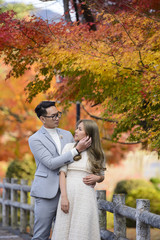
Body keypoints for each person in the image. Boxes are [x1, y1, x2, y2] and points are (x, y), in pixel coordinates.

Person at [28, 101, 91, 240]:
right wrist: (76, 150)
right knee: (41, 235)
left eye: (58, 114)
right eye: (53, 116)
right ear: (42, 119)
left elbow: (77, 159)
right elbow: (51, 163)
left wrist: (96, 176)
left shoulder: (67, 134)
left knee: (65, 234)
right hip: (46, 192)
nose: (57, 118)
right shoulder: (34, 139)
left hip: (68, 191)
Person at [51, 119, 106, 240]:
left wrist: (98, 178)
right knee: (64, 229)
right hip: (69, 195)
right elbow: (62, 173)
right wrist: (64, 197)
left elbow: (102, 175)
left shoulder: (98, 153)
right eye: (77, 128)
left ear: (89, 134)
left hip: (86, 198)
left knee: (82, 231)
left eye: (80, 129)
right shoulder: (69, 148)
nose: (75, 131)